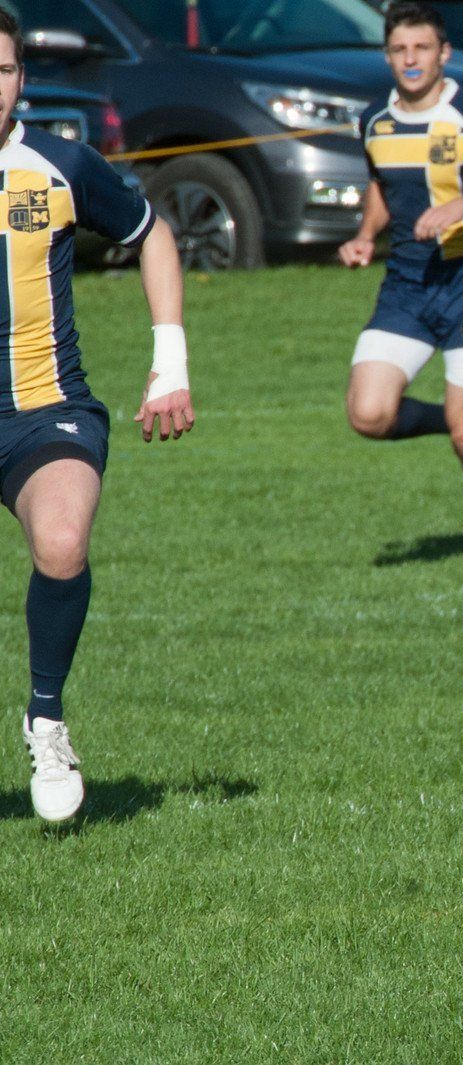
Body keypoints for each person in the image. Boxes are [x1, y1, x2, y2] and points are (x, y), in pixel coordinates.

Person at [0, 11, 192, 821]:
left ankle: (46, 715)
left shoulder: (60, 164)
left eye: (3, 69)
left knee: (63, 538)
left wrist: (170, 361)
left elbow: (152, 235)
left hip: (47, 408)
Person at [340, 2, 463, 567]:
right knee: (368, 415)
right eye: (400, 50)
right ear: (388, 56)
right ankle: (458, 416)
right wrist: (365, 238)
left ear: (443, 53)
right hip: (405, 286)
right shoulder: (375, 119)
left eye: (422, 48)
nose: (411, 59)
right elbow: (381, 186)